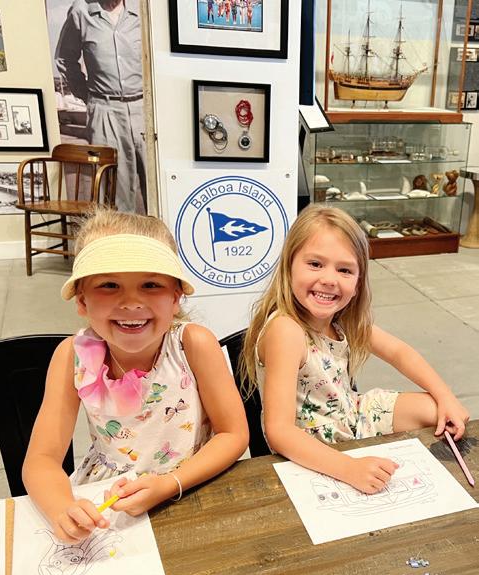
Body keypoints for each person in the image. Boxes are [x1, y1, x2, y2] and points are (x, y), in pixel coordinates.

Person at [23, 209, 248, 543]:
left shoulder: (193, 345)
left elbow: (233, 433)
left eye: (151, 284)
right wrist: (61, 509)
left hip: (191, 485)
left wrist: (170, 484)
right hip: (108, 501)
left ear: (175, 297)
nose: (131, 302)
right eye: (109, 285)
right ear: (82, 300)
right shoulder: (72, 356)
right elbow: (41, 459)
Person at [240, 205, 469, 495]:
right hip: (311, 442)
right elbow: (279, 432)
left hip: (353, 414)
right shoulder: (285, 331)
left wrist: (446, 396)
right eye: (315, 264)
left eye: (344, 270)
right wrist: (350, 468)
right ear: (289, 267)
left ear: (358, 282)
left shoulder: (343, 320)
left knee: (437, 411)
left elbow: (399, 352)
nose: (329, 279)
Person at [55, 0, 146, 214]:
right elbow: (65, 59)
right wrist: (87, 96)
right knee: (115, 191)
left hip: (145, 107)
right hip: (105, 109)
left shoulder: (144, 9)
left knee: (160, 181)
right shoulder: (81, 11)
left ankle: (161, 234)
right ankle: (121, 235)